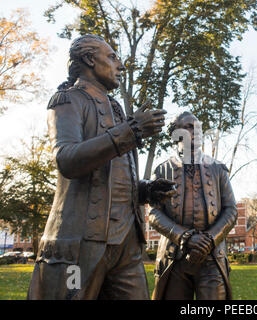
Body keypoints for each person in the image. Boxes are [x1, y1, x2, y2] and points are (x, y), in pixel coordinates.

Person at [28, 34, 174, 300]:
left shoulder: (117, 110)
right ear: (89, 59)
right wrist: (132, 130)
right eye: (112, 57)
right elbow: (67, 160)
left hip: (127, 244)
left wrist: (145, 190)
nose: (120, 65)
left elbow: (111, 178)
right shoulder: (67, 100)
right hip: (81, 243)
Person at [149, 111, 237, 300]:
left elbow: (231, 210)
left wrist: (211, 239)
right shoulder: (162, 169)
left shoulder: (217, 168)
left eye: (197, 127)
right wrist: (184, 237)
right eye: (188, 127)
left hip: (211, 257)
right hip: (175, 258)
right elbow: (154, 213)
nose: (194, 131)